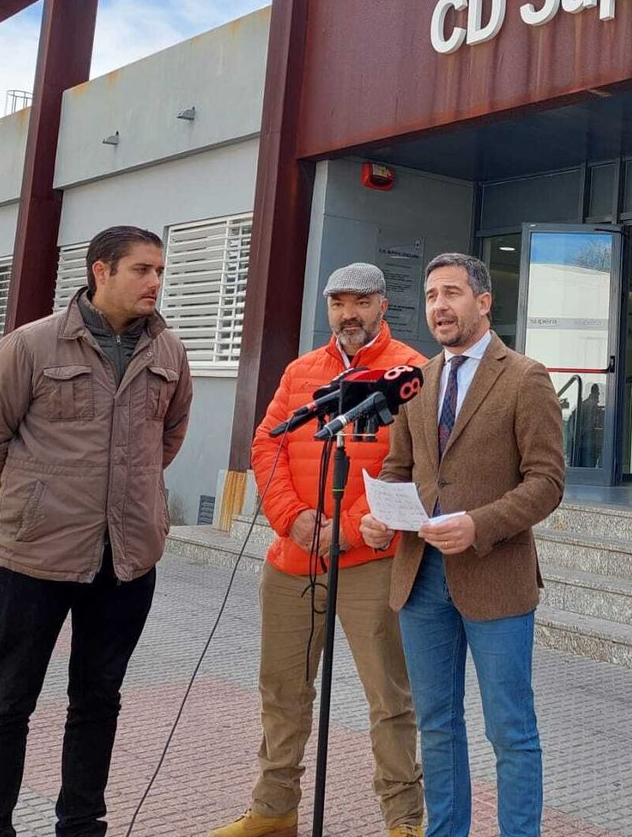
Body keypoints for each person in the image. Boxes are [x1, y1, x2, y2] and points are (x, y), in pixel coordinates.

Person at [0, 225, 193, 837]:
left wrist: (124, 500)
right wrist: (39, 500)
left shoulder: (169, 352)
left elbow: (167, 439)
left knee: (98, 699)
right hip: (35, 559)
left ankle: (82, 824)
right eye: (142, 269)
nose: (155, 282)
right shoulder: (31, 345)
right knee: (8, 701)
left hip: (127, 560)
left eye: (160, 270)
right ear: (101, 271)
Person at [210, 263, 427, 837]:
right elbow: (268, 444)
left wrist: (346, 529)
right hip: (293, 559)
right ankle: (274, 809)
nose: (348, 314)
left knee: (390, 700)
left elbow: (419, 466)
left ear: (383, 306)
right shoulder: (301, 372)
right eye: (338, 303)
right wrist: (294, 518)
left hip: (372, 563)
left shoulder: (411, 373)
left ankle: (404, 820)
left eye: (361, 302)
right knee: (282, 692)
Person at [360, 253, 565, 837]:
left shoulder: (525, 377)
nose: (439, 306)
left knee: (510, 731)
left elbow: (547, 483)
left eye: (451, 293)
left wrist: (480, 524)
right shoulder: (416, 381)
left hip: (496, 579)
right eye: (431, 296)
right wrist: (382, 516)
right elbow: (399, 468)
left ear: (484, 302)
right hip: (420, 579)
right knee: (437, 725)